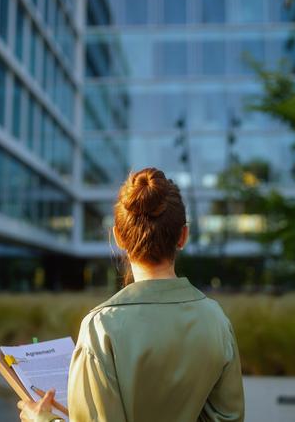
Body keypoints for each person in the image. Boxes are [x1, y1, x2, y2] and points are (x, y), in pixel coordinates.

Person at [18, 167, 245, 422]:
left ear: (119, 238)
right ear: (183, 236)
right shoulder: (216, 320)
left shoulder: (101, 327)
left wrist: (43, 419)